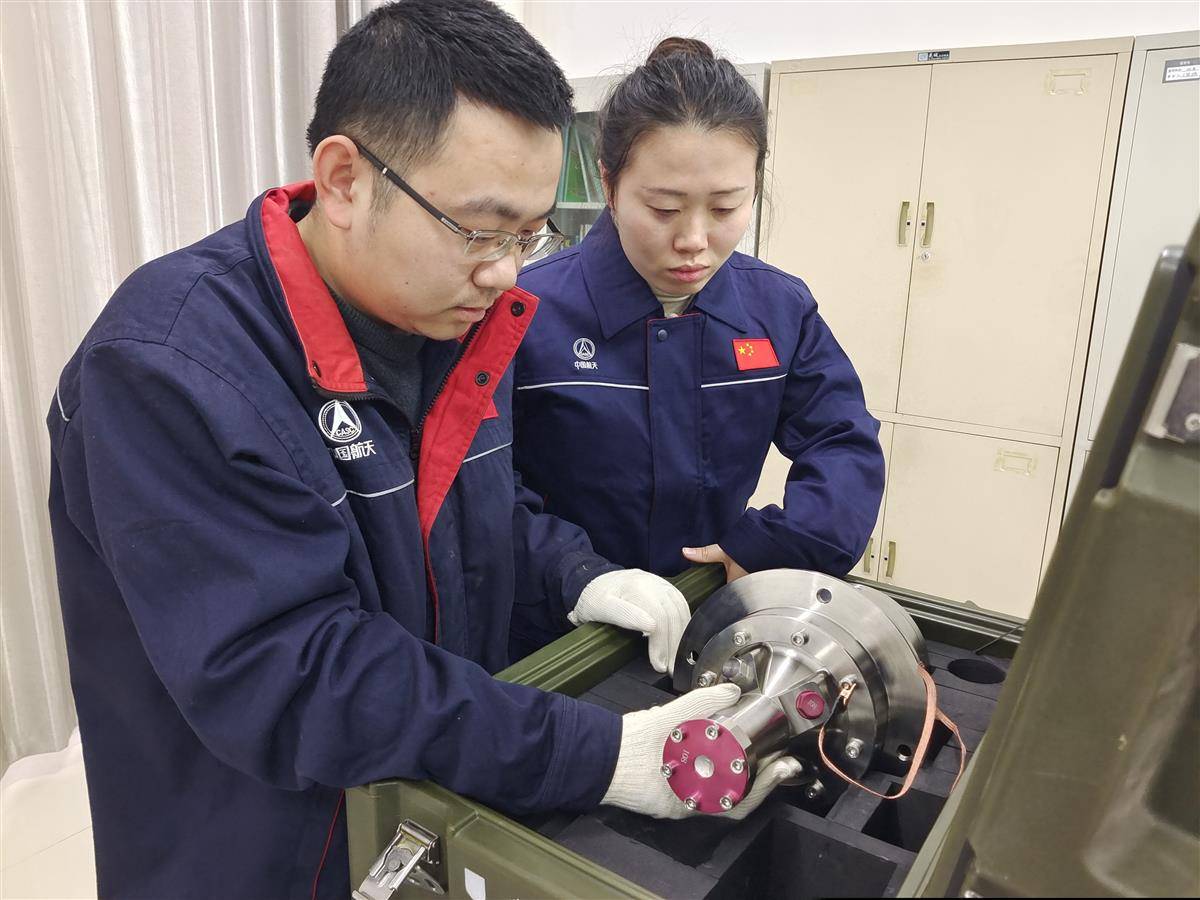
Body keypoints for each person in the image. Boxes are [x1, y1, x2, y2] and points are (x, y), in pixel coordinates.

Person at [44, 7, 800, 898]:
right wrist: (594, 753)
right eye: (480, 229)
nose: (506, 271)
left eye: (529, 233)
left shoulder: (449, 319)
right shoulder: (170, 370)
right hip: (260, 852)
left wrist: (574, 574)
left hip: (417, 817)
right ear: (344, 180)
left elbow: (476, 511)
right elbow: (296, 673)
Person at [512, 38, 885, 614]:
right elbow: (478, 485)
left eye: (725, 208)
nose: (693, 240)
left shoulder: (778, 309)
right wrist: (576, 573)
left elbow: (843, 440)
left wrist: (784, 540)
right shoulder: (525, 310)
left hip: (712, 613)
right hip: (560, 628)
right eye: (664, 209)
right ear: (609, 186)